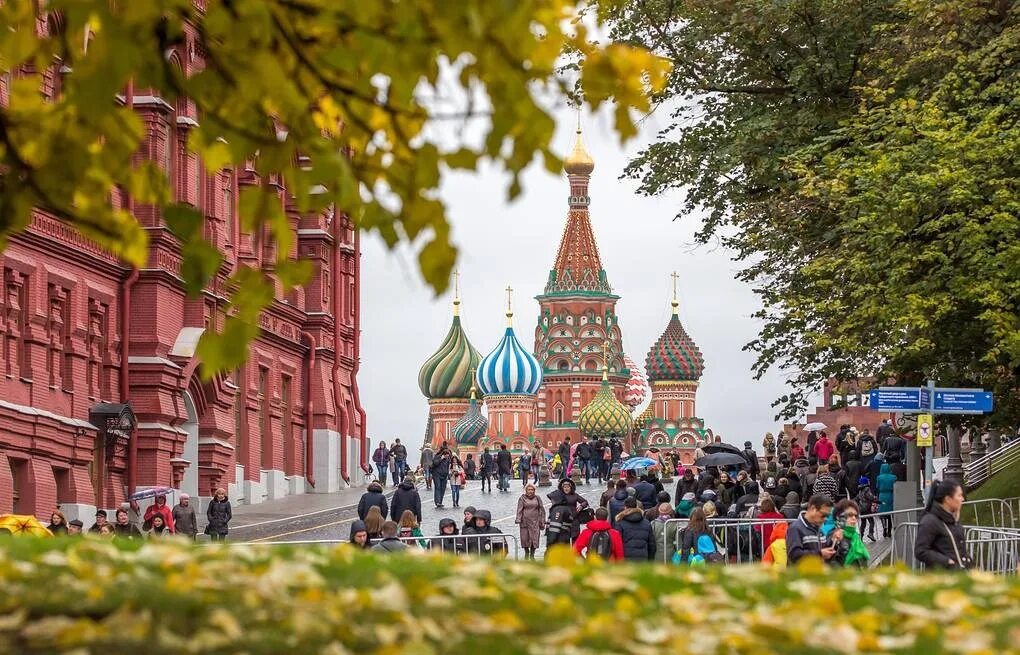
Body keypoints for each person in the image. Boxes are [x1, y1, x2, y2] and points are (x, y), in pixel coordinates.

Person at [915, 480, 971, 569]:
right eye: (959, 495)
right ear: (948, 499)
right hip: (941, 578)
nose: (962, 499)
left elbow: (959, 549)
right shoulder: (930, 521)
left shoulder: (953, 520)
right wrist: (947, 562)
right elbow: (921, 551)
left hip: (958, 577)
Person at [786, 494, 836, 565]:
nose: (825, 519)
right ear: (813, 509)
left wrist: (834, 542)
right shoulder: (795, 528)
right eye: (823, 515)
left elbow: (825, 553)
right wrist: (820, 554)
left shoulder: (820, 530)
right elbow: (794, 555)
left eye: (828, 516)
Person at [546, 478, 588, 547]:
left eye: (567, 487)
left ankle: (575, 555)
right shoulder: (559, 495)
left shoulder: (575, 495)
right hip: (564, 522)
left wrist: (581, 506)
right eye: (564, 487)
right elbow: (550, 496)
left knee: (575, 541)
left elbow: (585, 502)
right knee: (565, 541)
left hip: (574, 520)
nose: (566, 489)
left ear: (570, 487)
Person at [614, 497, 656, 561]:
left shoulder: (619, 523)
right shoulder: (646, 523)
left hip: (626, 560)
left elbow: (617, 544)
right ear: (636, 506)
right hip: (643, 559)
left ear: (625, 507)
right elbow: (652, 545)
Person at [831, 499, 869, 568]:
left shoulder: (855, 537)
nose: (854, 518)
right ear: (839, 517)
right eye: (850, 515)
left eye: (855, 515)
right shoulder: (834, 537)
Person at [515, 483, 545, 560]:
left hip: (535, 522)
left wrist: (542, 520)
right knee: (525, 538)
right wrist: (518, 519)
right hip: (525, 522)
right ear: (526, 490)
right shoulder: (522, 498)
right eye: (529, 489)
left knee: (534, 538)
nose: (530, 491)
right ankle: (526, 552)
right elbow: (519, 509)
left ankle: (532, 553)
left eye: (532, 489)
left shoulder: (537, 498)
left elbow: (541, 509)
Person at [876, 462, 897, 538]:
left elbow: (877, 486)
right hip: (891, 496)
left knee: (883, 514)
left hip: (882, 496)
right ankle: (889, 531)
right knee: (890, 514)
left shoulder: (879, 477)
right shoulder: (893, 477)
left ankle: (884, 527)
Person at [855, 477, 878, 541]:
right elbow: (870, 497)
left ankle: (861, 536)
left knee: (863, 523)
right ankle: (871, 533)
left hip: (861, 508)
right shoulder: (867, 489)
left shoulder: (860, 490)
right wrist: (874, 498)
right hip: (867, 508)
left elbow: (857, 498)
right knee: (871, 522)